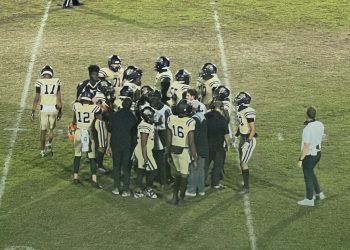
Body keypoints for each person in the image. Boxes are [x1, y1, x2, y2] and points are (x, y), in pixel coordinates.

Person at [167, 100, 197, 206]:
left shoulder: (171, 118)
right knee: (184, 176)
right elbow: (191, 142)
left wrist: (167, 152)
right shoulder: (190, 121)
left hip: (173, 150)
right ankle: (181, 199)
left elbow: (169, 137)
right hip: (183, 151)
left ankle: (174, 197)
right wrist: (195, 158)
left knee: (178, 175)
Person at [71, 91, 103, 188]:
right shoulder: (94, 107)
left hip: (78, 132)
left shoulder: (76, 105)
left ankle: (75, 177)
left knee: (77, 156)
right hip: (88, 133)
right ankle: (94, 179)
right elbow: (100, 116)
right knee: (92, 157)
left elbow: (74, 119)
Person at [107, 98, 137, 197]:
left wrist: (108, 146)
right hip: (127, 145)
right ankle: (126, 190)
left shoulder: (115, 115)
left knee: (116, 166)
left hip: (115, 143)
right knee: (126, 168)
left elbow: (110, 131)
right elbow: (134, 135)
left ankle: (116, 188)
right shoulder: (132, 117)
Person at [31, 65, 62, 157]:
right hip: (54, 109)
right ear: (51, 73)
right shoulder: (57, 81)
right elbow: (59, 97)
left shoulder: (39, 82)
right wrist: (60, 110)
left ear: (42, 73)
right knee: (51, 130)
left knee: (43, 131)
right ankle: (49, 143)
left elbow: (37, 98)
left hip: (44, 109)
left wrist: (33, 111)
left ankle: (42, 151)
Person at [297, 107, 325, 207]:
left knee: (308, 176)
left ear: (306, 115)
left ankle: (309, 199)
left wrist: (301, 159)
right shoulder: (320, 124)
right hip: (318, 153)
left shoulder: (307, 129)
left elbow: (306, 146)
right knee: (311, 172)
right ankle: (319, 193)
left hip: (310, 155)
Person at [233, 91, 257, 194]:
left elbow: (253, 129)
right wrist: (236, 136)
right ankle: (245, 183)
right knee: (241, 162)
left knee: (243, 163)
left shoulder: (249, 111)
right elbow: (241, 126)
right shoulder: (240, 110)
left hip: (248, 139)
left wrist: (248, 142)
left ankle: (246, 187)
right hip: (243, 138)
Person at [149, 91, 172, 190]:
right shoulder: (149, 107)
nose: (152, 101)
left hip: (162, 135)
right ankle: (155, 178)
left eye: (154, 99)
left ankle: (164, 180)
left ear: (159, 99)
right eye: (151, 99)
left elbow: (168, 127)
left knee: (162, 159)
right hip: (151, 134)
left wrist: (168, 143)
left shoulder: (166, 109)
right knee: (152, 158)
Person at [133, 107, 158, 199]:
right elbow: (143, 143)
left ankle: (140, 190)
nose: (153, 117)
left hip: (144, 151)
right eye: (151, 116)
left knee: (142, 171)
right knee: (153, 170)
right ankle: (147, 190)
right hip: (144, 152)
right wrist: (145, 158)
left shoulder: (146, 123)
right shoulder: (145, 126)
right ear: (147, 117)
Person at [205, 101, 230, 189]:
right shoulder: (222, 119)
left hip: (207, 145)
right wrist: (227, 144)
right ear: (221, 108)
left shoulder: (206, 116)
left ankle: (202, 181)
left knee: (205, 165)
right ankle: (215, 184)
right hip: (218, 146)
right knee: (217, 165)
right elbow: (226, 134)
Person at [186, 100, 209, 197]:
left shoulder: (193, 119)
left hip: (197, 146)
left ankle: (191, 190)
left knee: (194, 168)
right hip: (204, 145)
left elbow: (193, 137)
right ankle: (201, 190)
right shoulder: (202, 116)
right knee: (201, 169)